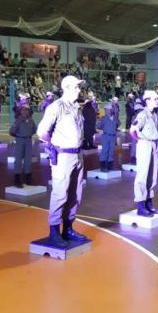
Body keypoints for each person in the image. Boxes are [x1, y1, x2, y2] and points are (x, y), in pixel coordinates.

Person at [37, 75, 88, 248]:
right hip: (63, 156)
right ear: (66, 88)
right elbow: (42, 131)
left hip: (77, 155)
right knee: (60, 194)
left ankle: (68, 228)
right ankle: (54, 231)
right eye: (76, 87)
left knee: (75, 194)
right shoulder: (56, 106)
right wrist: (52, 145)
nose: (79, 90)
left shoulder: (76, 107)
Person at [130, 90, 158, 216]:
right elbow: (132, 130)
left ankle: (149, 203)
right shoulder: (142, 115)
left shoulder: (154, 115)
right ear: (147, 100)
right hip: (145, 144)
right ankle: (140, 205)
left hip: (153, 144)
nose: (157, 101)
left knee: (152, 175)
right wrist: (139, 140)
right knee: (142, 175)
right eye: (155, 99)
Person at [10, 105, 37, 186]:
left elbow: (34, 130)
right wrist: (20, 136)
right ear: (21, 111)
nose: (25, 111)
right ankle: (17, 178)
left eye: (27, 110)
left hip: (28, 140)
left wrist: (28, 134)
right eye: (23, 110)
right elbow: (12, 131)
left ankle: (28, 178)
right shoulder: (18, 120)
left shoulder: (31, 120)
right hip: (20, 140)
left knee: (28, 160)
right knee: (18, 159)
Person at [97, 102, 120, 171]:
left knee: (111, 151)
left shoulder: (115, 118)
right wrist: (106, 128)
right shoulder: (103, 118)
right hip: (106, 136)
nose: (108, 111)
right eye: (107, 110)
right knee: (105, 151)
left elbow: (118, 124)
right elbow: (99, 126)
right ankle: (103, 167)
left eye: (109, 109)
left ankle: (110, 166)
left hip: (113, 136)